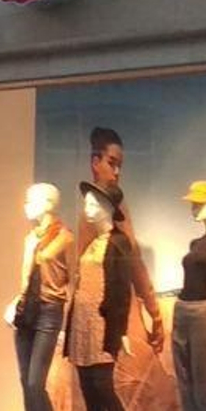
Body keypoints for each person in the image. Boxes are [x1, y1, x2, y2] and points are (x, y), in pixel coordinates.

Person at [64, 182, 140, 411]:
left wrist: (119, 331)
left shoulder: (118, 243)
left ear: (109, 208)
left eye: (95, 203)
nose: (88, 209)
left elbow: (121, 291)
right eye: (87, 203)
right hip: (82, 327)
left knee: (106, 391)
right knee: (89, 395)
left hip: (102, 326)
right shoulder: (93, 243)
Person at [4, 183, 70, 411]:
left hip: (49, 311)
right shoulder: (29, 238)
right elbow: (26, 278)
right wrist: (15, 302)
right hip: (26, 312)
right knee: (23, 381)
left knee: (35, 382)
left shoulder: (65, 238)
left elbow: (67, 279)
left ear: (48, 203)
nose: (26, 204)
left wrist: (67, 326)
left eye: (31, 199)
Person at [81, 127, 164, 352]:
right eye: (111, 162)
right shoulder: (93, 209)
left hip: (115, 305)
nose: (116, 172)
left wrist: (153, 309)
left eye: (119, 166)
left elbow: (133, 257)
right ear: (95, 162)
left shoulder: (114, 206)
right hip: (100, 310)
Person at [172, 181, 206, 411]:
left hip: (205, 314)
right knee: (186, 391)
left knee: (205, 391)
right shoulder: (195, 242)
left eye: (199, 201)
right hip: (183, 311)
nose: (193, 206)